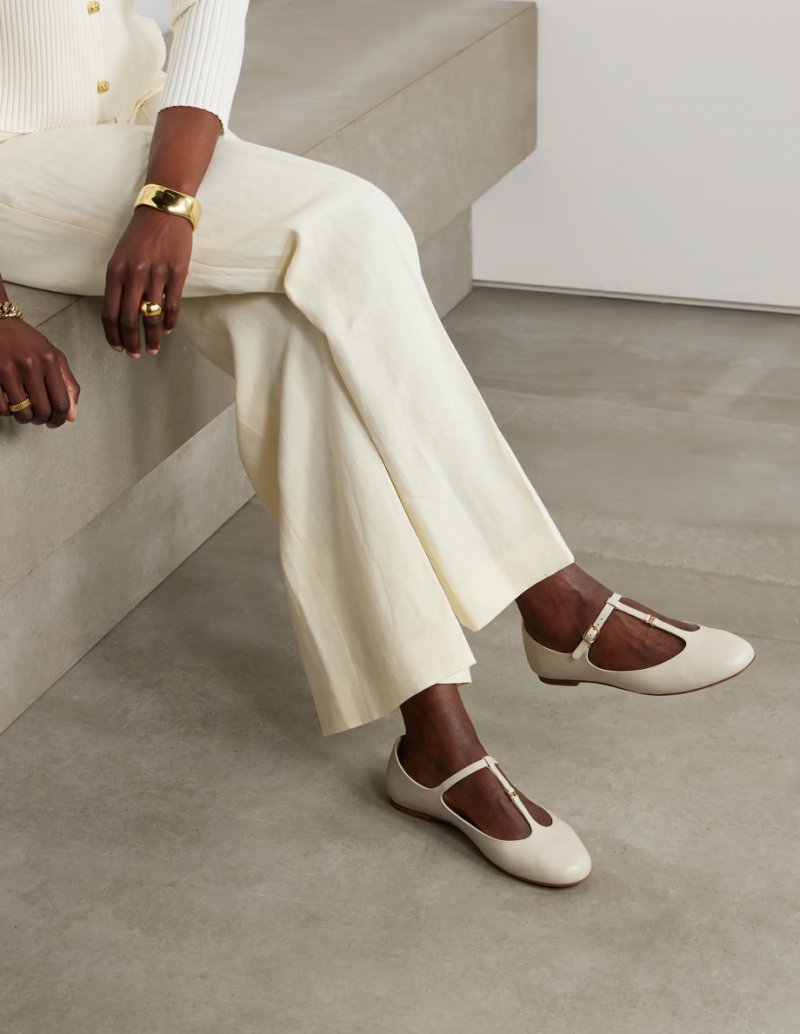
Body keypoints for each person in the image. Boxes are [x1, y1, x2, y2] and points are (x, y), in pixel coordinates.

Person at [0, 0, 754, 889]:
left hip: (144, 132)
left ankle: (438, 747)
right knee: (350, 220)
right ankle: (553, 597)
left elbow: (209, 12)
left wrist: (170, 194)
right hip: (19, 161)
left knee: (297, 343)